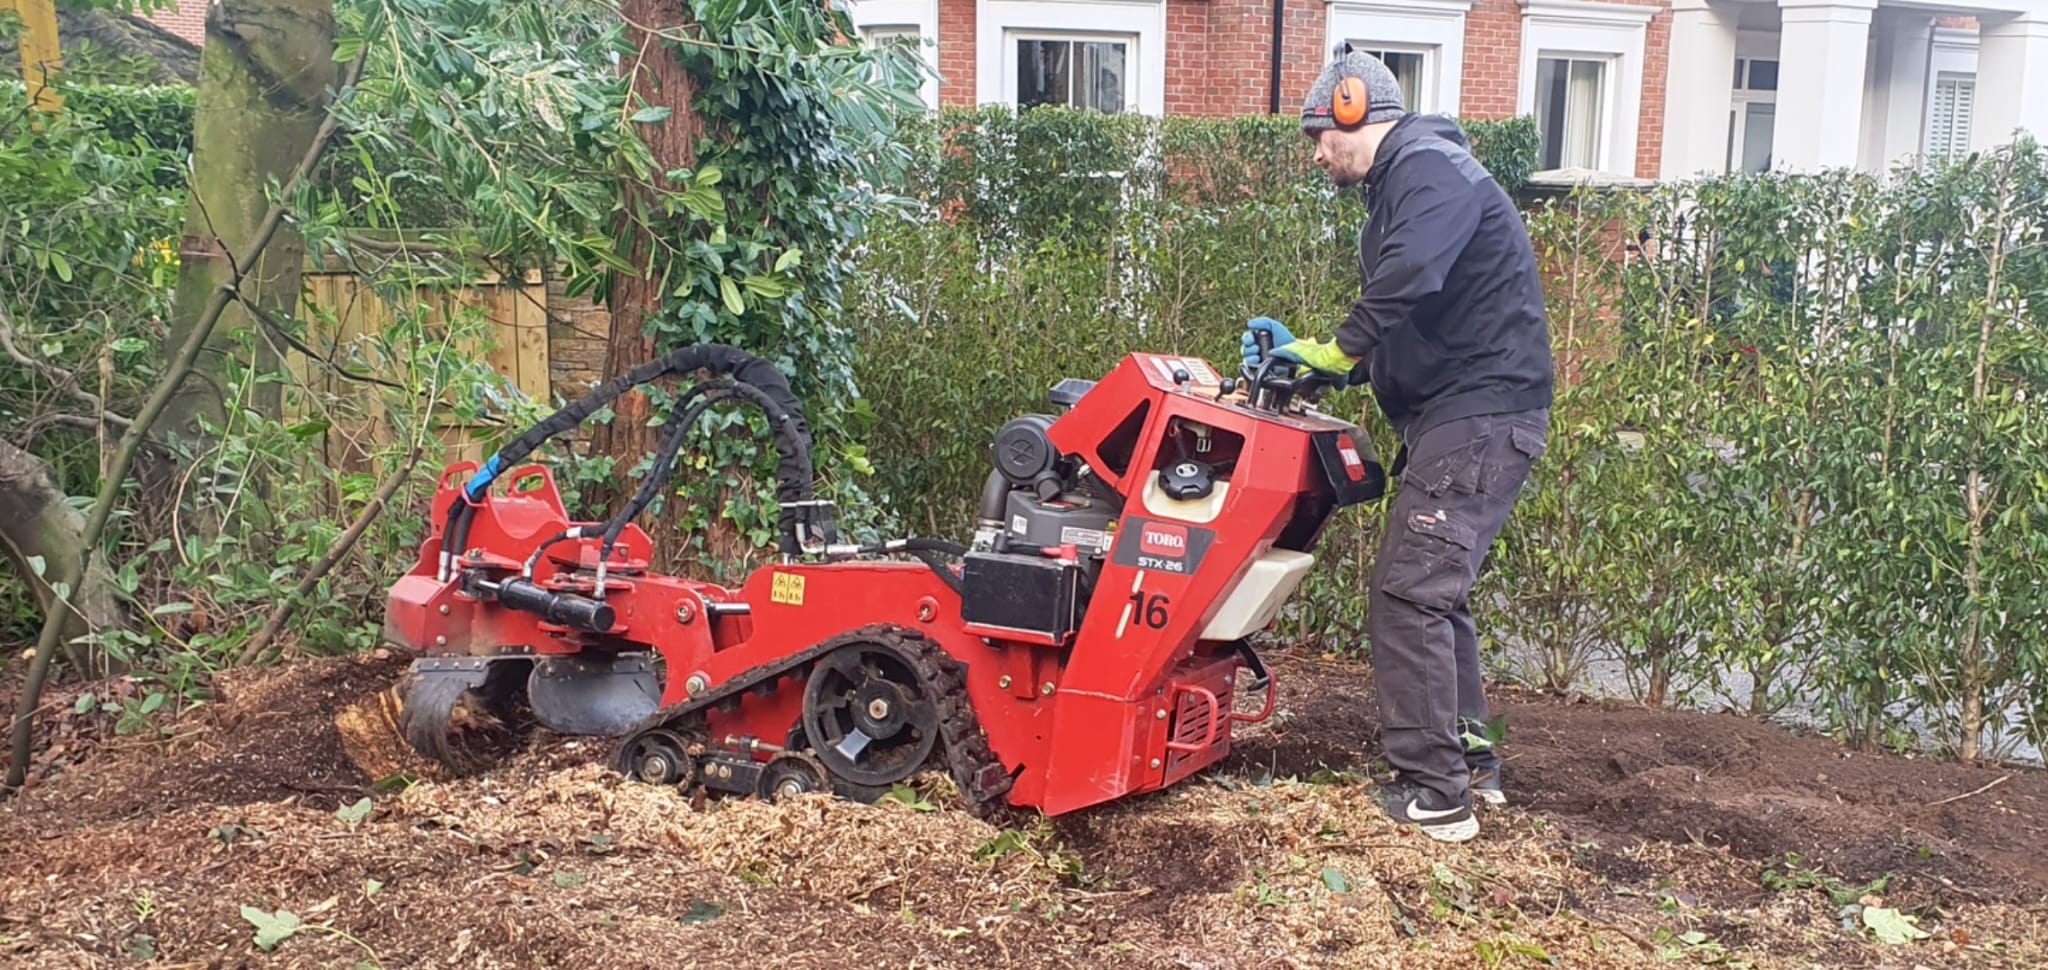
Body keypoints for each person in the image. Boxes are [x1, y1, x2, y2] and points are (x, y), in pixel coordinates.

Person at [1242, 50, 1553, 843]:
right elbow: (1419, 320)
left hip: (1479, 417)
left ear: (1353, 108)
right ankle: (1471, 768)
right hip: (1470, 415)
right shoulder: (1412, 186)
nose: (1317, 153)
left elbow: (1408, 276)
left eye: (1319, 134)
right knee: (1436, 597)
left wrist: (1337, 348)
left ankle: (1435, 796)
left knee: (1409, 595)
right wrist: (1313, 365)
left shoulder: (1430, 168)